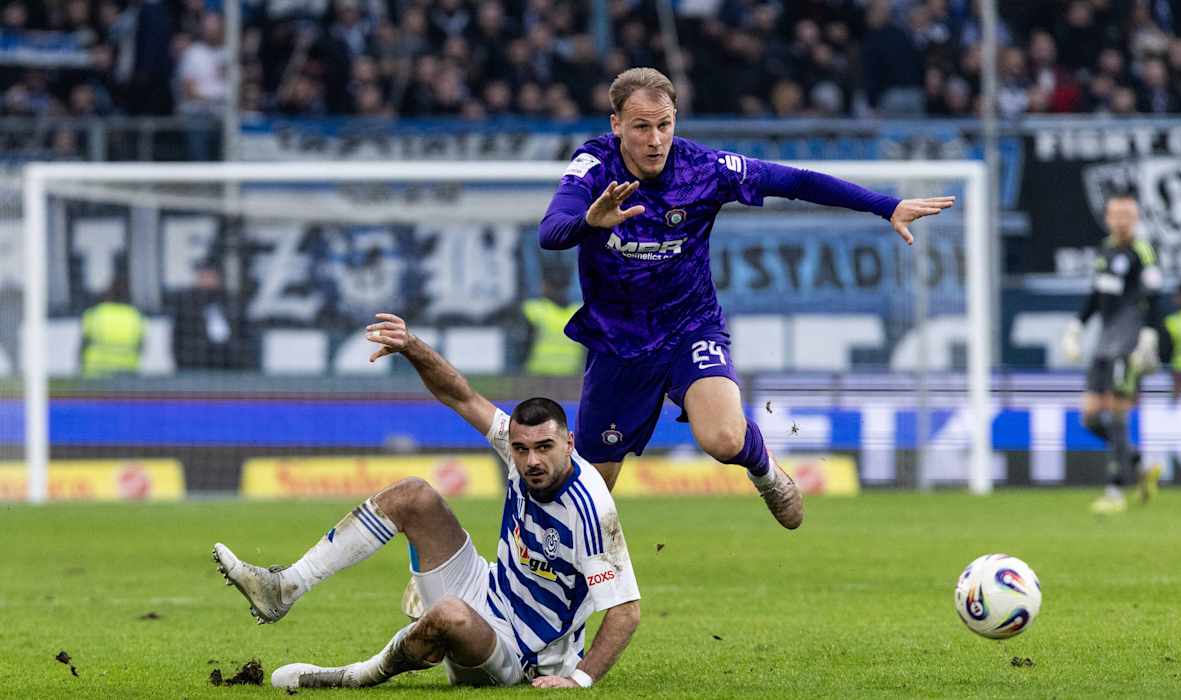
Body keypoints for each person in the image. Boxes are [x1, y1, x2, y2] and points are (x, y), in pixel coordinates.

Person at [538, 67, 954, 529]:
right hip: (619, 340)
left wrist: (886, 206)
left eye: (665, 124)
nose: (655, 139)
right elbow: (551, 231)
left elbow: (793, 181)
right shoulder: (593, 168)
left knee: (722, 436)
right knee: (593, 495)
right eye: (641, 127)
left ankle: (766, 472)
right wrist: (589, 223)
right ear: (616, 124)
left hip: (689, 325)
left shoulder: (704, 169)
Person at [212, 312, 640, 691]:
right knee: (413, 495)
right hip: (489, 588)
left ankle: (354, 675)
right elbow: (460, 396)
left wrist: (578, 680)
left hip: (522, 653)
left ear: (568, 444)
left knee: (449, 614)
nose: (531, 460)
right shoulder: (519, 447)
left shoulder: (590, 508)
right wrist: (412, 346)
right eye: (522, 449)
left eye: (544, 447)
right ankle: (283, 588)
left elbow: (626, 612)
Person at [1061, 194, 1163, 514]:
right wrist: (1077, 326)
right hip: (1104, 341)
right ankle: (1139, 462)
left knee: (1118, 415)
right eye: (1116, 214)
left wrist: (1148, 335)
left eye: (1127, 215)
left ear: (1136, 218)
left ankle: (1115, 491)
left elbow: (1154, 295)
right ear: (1107, 218)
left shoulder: (1143, 252)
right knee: (1090, 417)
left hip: (1129, 341)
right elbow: (1096, 294)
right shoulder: (1105, 249)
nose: (1121, 220)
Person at [521, 264, 585, 376]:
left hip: (537, 374)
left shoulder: (533, 310)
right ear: (568, 285)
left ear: (544, 285)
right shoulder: (579, 312)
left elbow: (521, 347)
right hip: (571, 375)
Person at [80, 277, 145, 378]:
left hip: (96, 371)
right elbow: (141, 346)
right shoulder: (135, 316)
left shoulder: (95, 314)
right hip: (127, 370)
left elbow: (84, 344)